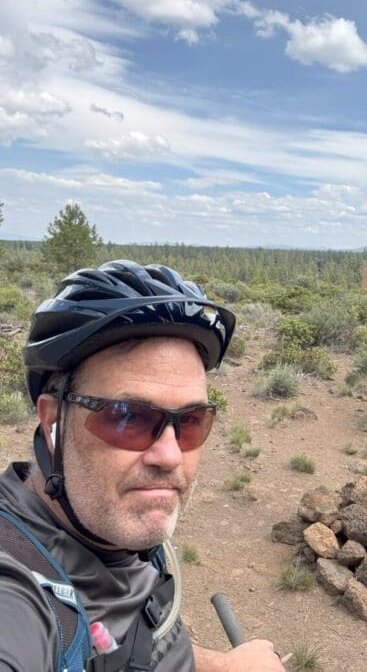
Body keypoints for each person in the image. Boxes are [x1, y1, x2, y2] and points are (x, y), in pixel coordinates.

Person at [0, 260, 285, 672]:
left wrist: (224, 666)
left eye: (190, 421)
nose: (169, 456)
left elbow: (132, 639)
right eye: (127, 416)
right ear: (52, 422)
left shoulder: (103, 523)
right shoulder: (18, 596)